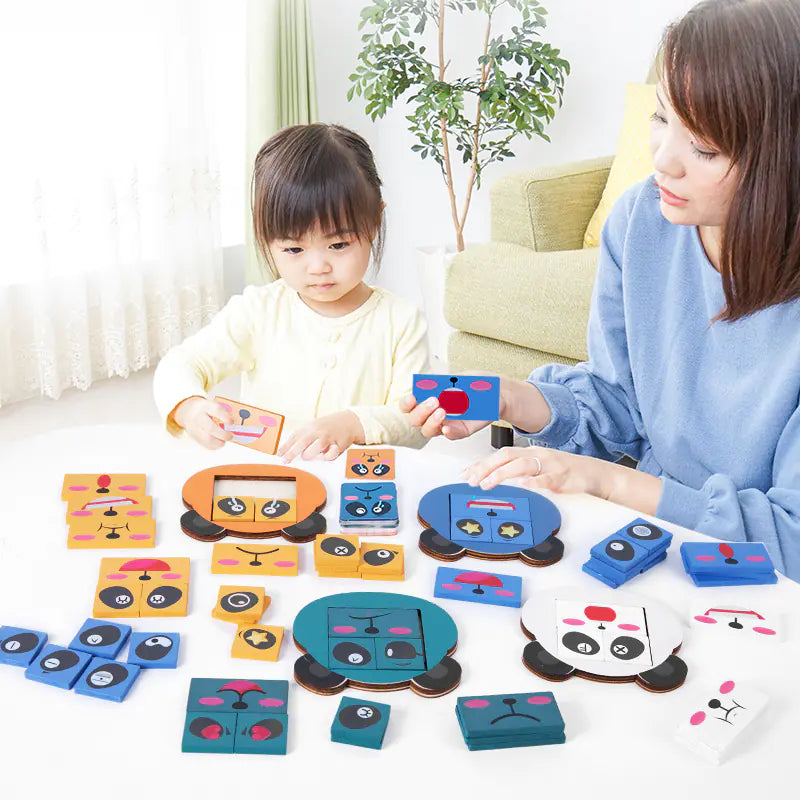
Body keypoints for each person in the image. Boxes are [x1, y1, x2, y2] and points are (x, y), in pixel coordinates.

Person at [403, 0, 800, 581]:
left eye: (705, 147)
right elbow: (618, 401)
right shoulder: (641, 219)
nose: (663, 161)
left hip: (755, 579)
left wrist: (609, 480)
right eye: (662, 119)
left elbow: (789, 538)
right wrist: (509, 398)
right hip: (647, 534)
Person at [154, 123, 427, 461]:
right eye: (294, 250)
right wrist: (189, 406)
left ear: (373, 222)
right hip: (269, 484)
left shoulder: (401, 322)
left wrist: (353, 423)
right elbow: (181, 363)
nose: (317, 267)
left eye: (338, 244)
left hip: (360, 491)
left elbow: (416, 421)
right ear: (267, 238)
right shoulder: (259, 310)